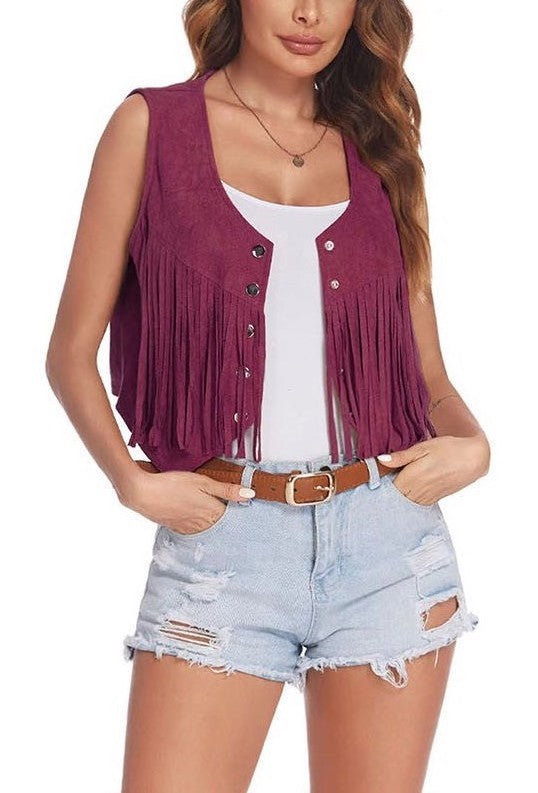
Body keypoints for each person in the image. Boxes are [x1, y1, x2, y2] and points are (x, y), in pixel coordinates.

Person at [45, 1, 490, 790]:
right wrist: (130, 481)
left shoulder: (383, 148)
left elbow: (429, 379)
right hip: (224, 545)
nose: (308, 13)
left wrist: (473, 446)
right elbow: (70, 353)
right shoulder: (150, 129)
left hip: (389, 549)